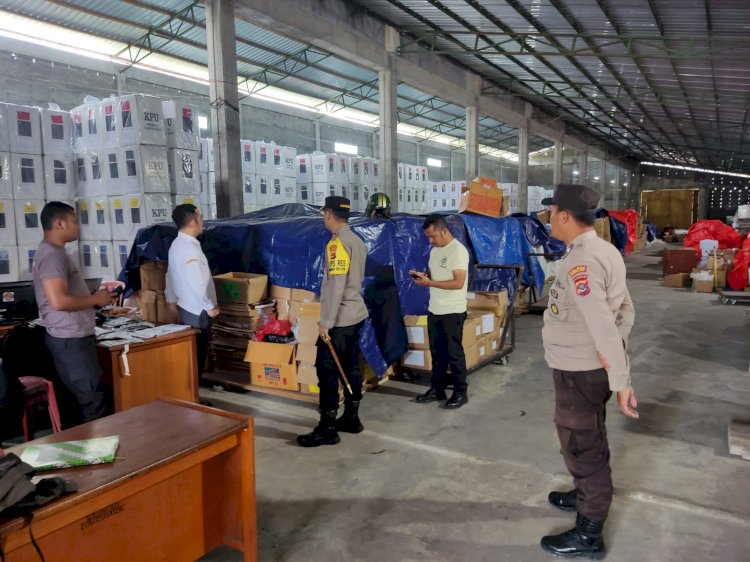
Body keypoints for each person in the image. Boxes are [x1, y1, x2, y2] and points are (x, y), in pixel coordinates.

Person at [539, 184, 638, 559]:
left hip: (579, 371)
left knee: (582, 446)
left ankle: (589, 533)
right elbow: (626, 311)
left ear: (564, 215)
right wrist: (610, 359)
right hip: (587, 369)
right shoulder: (604, 250)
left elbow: (604, 325)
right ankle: (583, 493)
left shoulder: (582, 261)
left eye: (551, 212)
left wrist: (621, 379)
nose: (548, 217)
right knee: (589, 433)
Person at [32, 202, 113, 424]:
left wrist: (93, 298)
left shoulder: (56, 253)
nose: (78, 227)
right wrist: (96, 299)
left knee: (86, 399)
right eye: (75, 221)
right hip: (71, 342)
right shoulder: (51, 256)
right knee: (91, 402)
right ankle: (97, 454)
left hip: (73, 338)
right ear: (60, 223)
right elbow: (58, 301)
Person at [297, 196, 369, 447]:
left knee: (326, 369)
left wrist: (325, 323)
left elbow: (336, 286)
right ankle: (351, 416)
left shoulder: (337, 244)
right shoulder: (357, 241)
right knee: (350, 365)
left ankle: (327, 428)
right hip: (356, 314)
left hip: (340, 319)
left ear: (328, 214)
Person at [410, 214, 470, 409]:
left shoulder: (458, 251)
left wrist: (430, 283)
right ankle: (437, 389)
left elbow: (458, 282)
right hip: (435, 309)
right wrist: (424, 277)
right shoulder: (435, 251)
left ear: (444, 230)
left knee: (454, 354)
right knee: (437, 353)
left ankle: (461, 392)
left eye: (433, 236)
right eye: (427, 237)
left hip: (452, 310)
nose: (430, 240)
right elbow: (434, 276)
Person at [165, 204, 219, 385]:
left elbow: (169, 275)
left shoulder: (176, 244)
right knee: (197, 352)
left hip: (184, 307)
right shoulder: (190, 249)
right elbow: (198, 283)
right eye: (201, 217)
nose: (203, 221)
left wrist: (171, 301)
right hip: (197, 310)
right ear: (194, 220)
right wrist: (210, 306)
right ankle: (193, 396)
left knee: (191, 353)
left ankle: (192, 390)